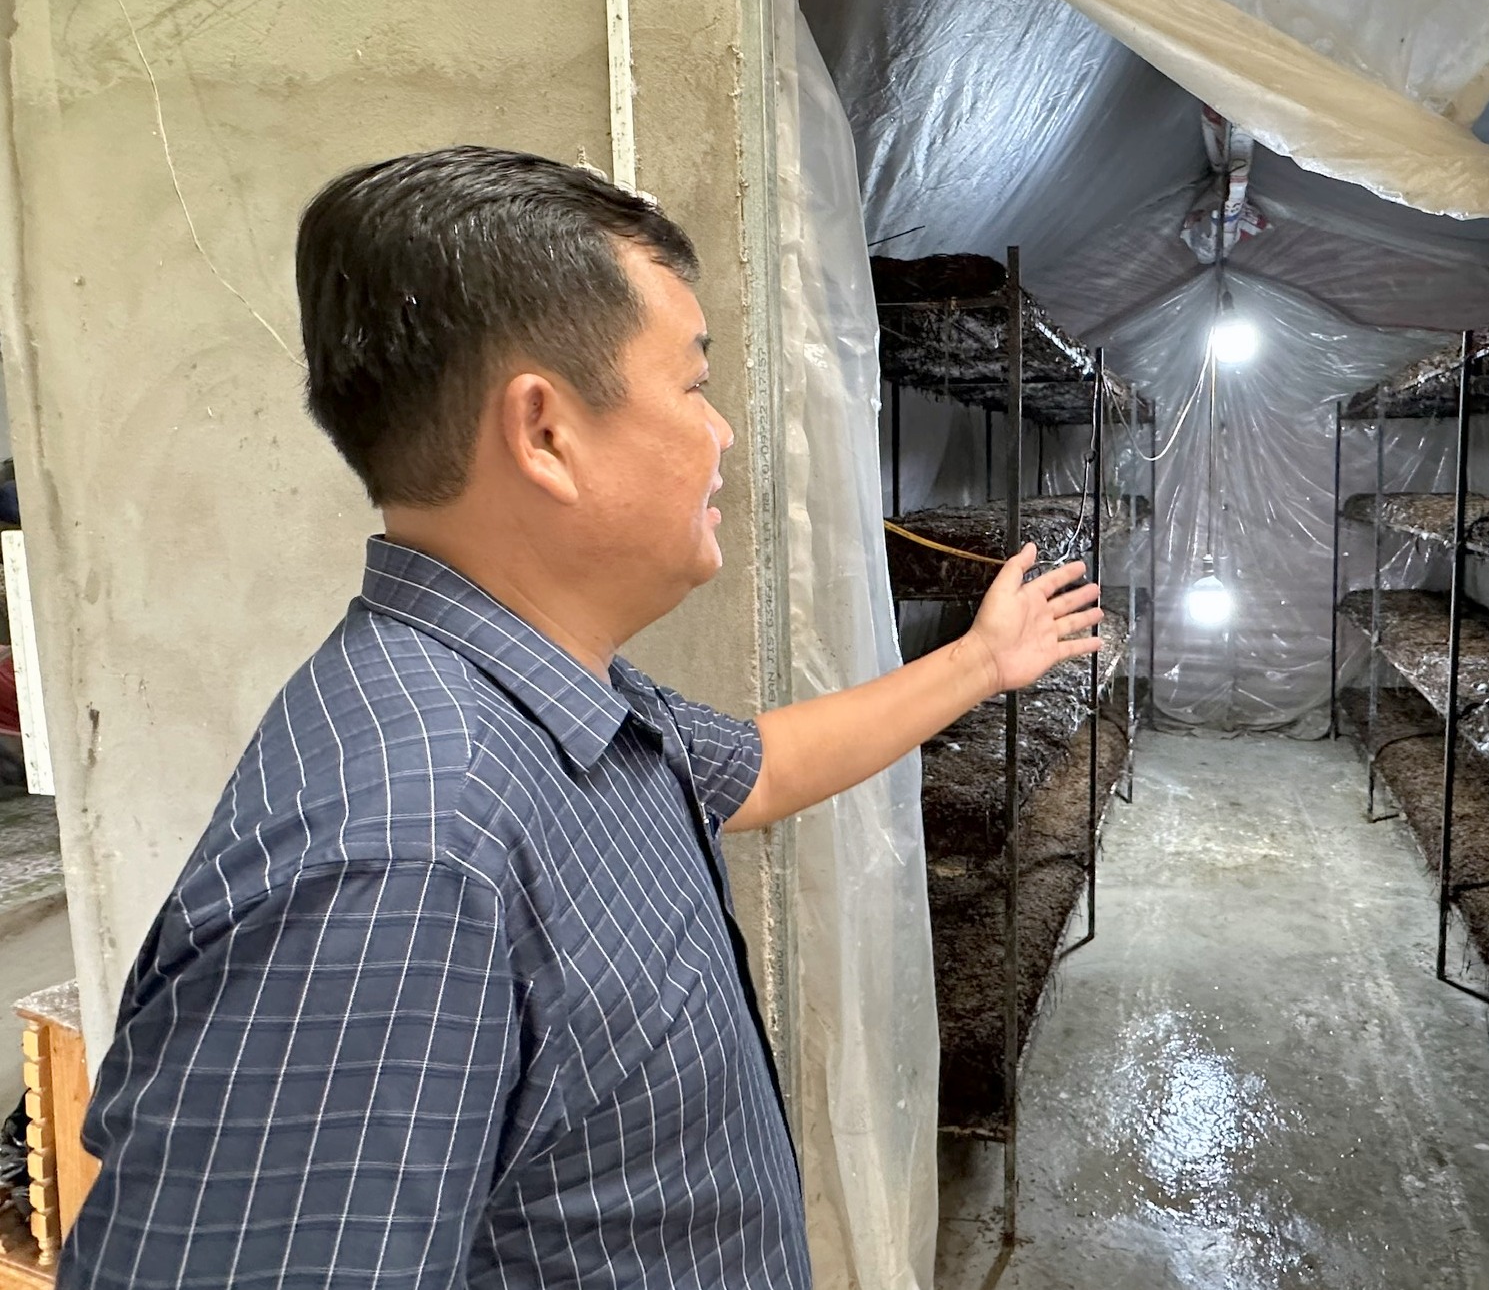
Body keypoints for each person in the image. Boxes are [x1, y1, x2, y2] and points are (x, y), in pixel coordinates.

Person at [61, 146, 1101, 1288]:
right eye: (693, 386)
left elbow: (759, 767)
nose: (722, 434)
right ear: (545, 433)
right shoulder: (402, 861)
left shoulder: (558, 695)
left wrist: (983, 660)